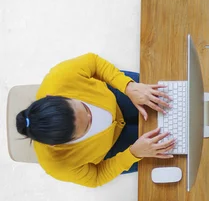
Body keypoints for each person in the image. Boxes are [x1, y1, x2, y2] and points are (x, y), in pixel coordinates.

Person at [16, 53, 175, 187]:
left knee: (173, 94)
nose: (92, 116)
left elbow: (94, 63)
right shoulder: (57, 165)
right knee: (175, 150)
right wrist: (133, 154)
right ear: (55, 145)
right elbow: (97, 177)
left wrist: (128, 87)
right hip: (115, 148)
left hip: (116, 93)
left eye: (85, 108)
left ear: (54, 96)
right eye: (87, 127)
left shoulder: (59, 78)